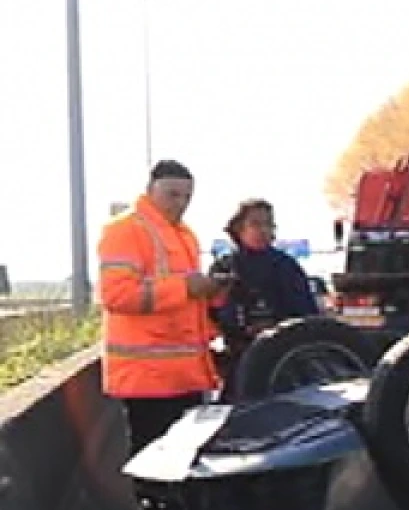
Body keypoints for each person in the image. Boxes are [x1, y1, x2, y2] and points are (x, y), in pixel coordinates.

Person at [97, 159, 229, 454]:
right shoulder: (125, 230)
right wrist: (185, 287)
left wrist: (210, 293)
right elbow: (116, 295)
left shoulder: (184, 235)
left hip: (184, 376)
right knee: (155, 463)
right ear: (150, 190)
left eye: (187, 197)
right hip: (148, 379)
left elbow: (184, 304)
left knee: (184, 463)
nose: (180, 203)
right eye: (172, 194)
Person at [210, 198, 320, 382]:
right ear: (239, 228)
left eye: (269, 225)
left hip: (282, 358)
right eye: (255, 224)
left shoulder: (286, 266)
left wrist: (276, 327)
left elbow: (307, 314)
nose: (263, 230)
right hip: (239, 356)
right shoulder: (225, 267)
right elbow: (212, 313)